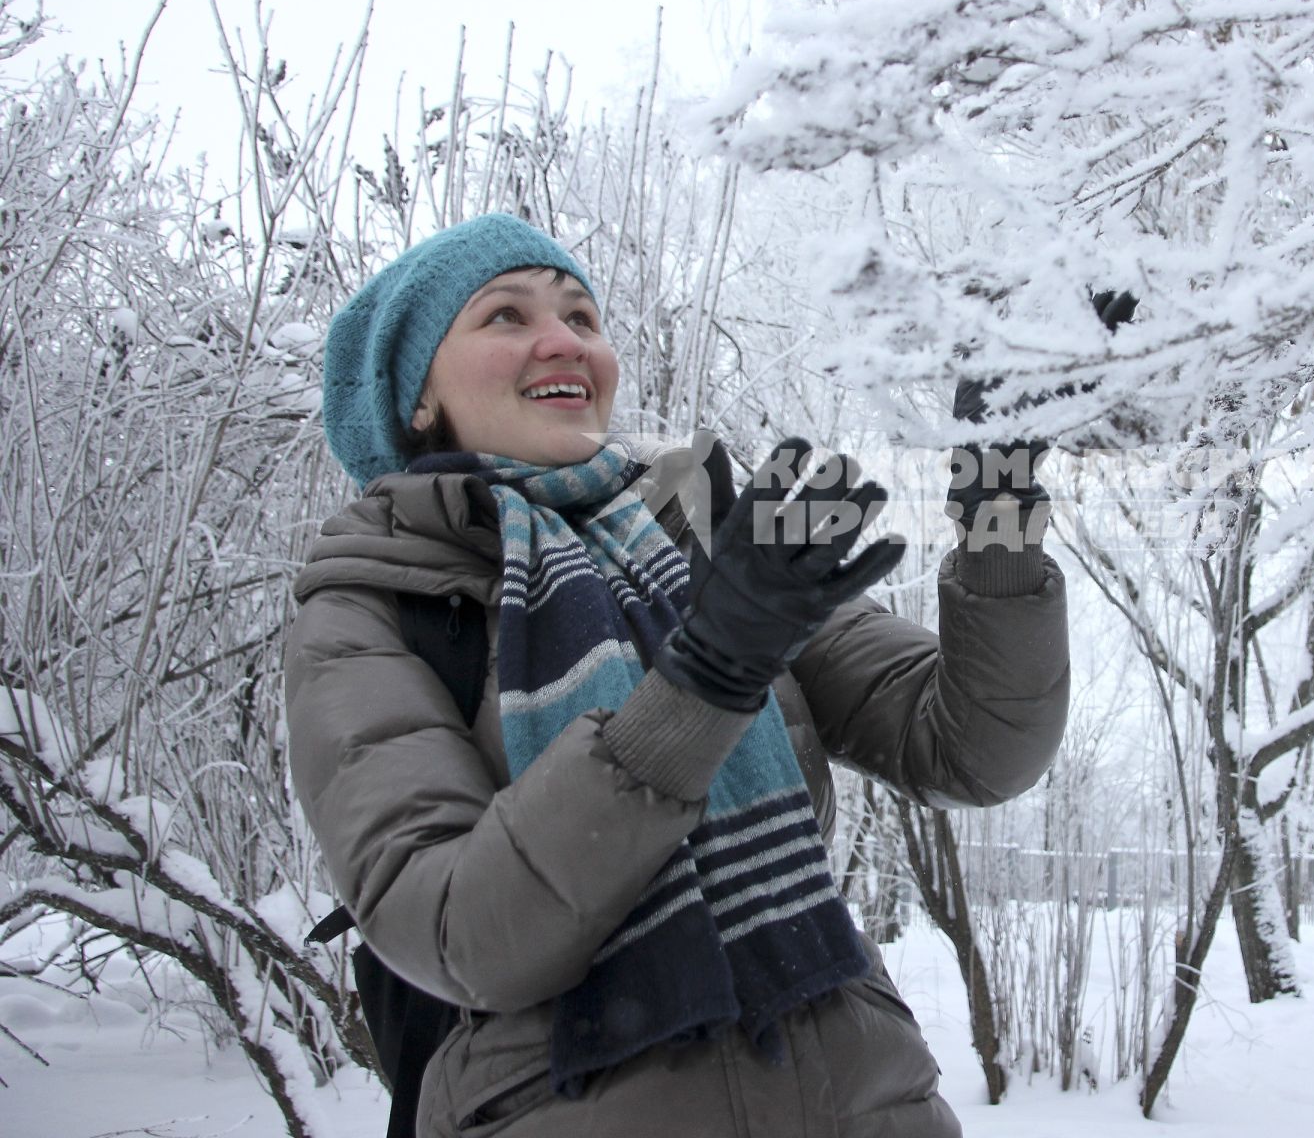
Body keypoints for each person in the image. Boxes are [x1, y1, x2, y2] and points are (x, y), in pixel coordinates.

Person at [284, 213, 1070, 1137]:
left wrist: (1000, 496)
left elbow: (973, 747)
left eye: (582, 315)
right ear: (416, 399)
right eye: (504, 317)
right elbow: (469, 934)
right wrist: (705, 678)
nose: (560, 340)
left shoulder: (701, 541)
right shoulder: (370, 610)